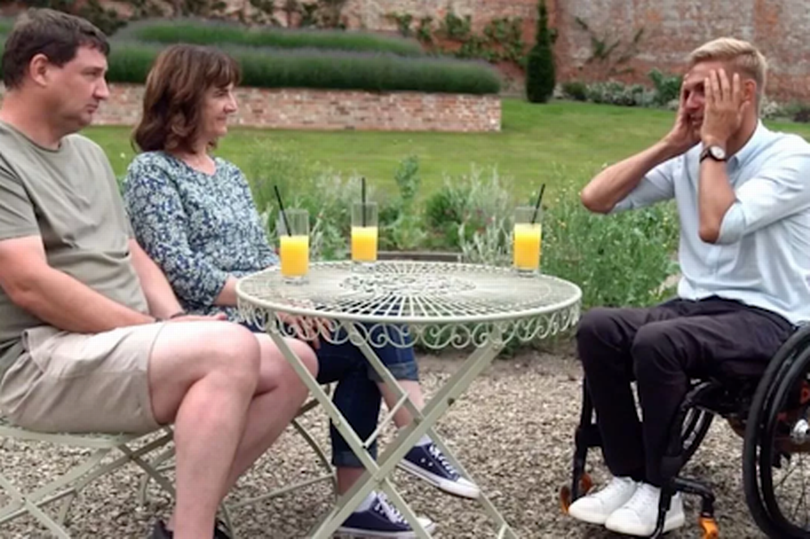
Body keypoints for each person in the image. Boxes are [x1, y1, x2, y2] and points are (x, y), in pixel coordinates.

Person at [120, 44, 480, 539]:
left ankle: (359, 497)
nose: (233, 105)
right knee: (365, 334)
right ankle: (413, 434)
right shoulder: (152, 172)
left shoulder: (229, 174)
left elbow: (264, 255)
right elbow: (180, 270)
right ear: (183, 99)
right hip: (212, 327)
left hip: (268, 311)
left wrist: (301, 298)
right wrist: (272, 302)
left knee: (369, 313)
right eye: (220, 93)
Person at [0, 9, 322, 539]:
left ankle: (179, 522)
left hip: (119, 343)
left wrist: (173, 317)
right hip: (40, 358)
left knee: (296, 360)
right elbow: (30, 283)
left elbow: (129, 252)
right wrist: (151, 330)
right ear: (40, 70)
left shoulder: (86, 155)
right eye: (92, 75)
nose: (105, 91)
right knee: (228, 348)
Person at [567, 37, 810, 537]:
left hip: (770, 320)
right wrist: (671, 145)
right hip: (696, 309)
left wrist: (713, 148)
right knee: (599, 327)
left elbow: (716, 225)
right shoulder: (692, 158)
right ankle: (631, 475)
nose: (692, 103)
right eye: (687, 91)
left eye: (705, 91)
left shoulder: (792, 158)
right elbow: (596, 197)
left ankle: (663, 491)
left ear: (744, 94)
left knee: (660, 342)